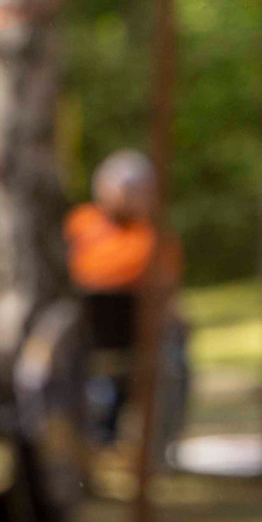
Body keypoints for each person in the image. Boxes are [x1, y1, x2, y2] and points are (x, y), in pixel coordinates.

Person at [65, 149, 186, 450]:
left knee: (173, 357)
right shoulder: (82, 224)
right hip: (87, 335)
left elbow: (166, 284)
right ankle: (98, 436)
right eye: (128, 188)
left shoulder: (153, 235)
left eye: (141, 189)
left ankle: (159, 446)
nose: (133, 196)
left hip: (140, 334)